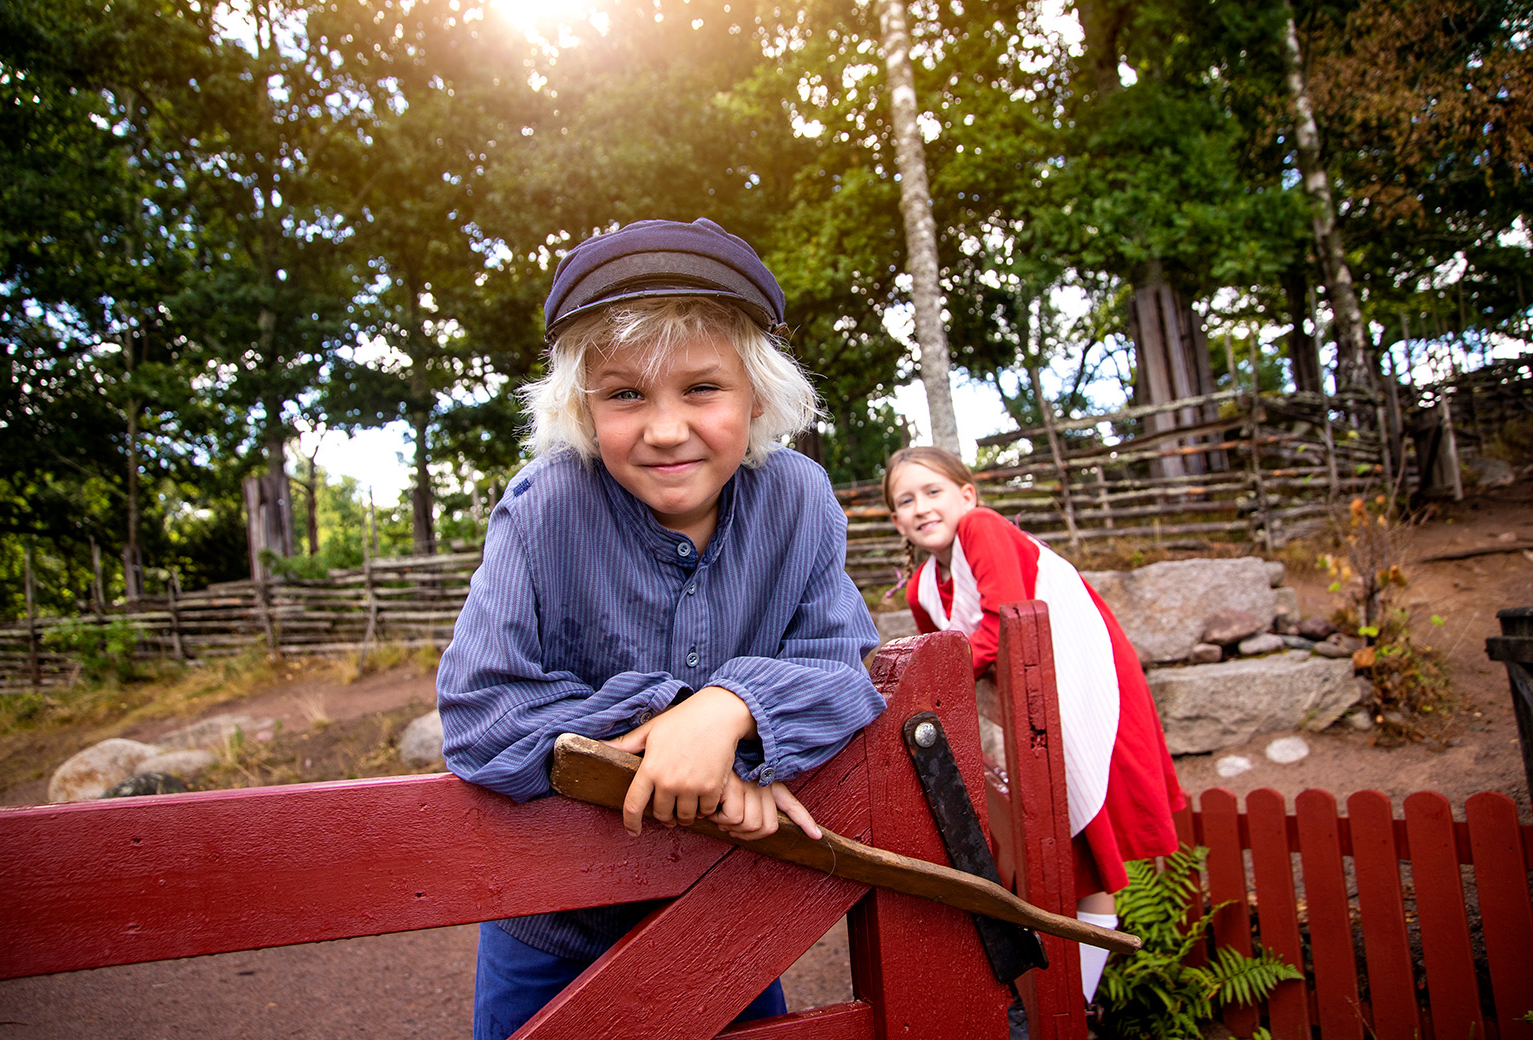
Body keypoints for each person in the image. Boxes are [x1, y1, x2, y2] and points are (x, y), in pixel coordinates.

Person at [437, 217, 886, 1040]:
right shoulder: (543, 509)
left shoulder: (800, 500)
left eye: (702, 388)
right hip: (554, 921)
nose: (667, 428)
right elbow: (482, 714)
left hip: (719, 909)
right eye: (626, 394)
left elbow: (840, 667)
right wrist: (674, 722)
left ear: (757, 395)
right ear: (582, 406)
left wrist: (730, 710)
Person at [883, 445, 1185, 1006]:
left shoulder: (982, 527)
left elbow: (999, 624)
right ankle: (1044, 998)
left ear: (966, 495)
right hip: (1026, 715)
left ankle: (1074, 1003)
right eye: (906, 500)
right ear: (897, 521)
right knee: (1044, 850)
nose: (921, 507)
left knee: (1084, 852)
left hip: (1082, 683)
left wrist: (924, 686)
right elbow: (948, 669)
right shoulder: (923, 585)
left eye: (933, 491)